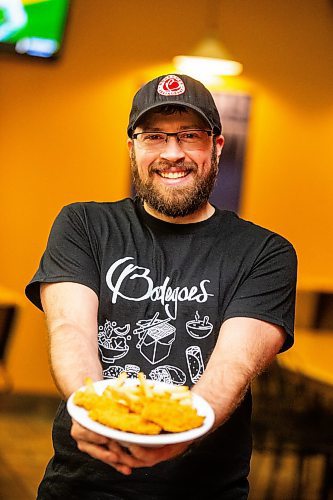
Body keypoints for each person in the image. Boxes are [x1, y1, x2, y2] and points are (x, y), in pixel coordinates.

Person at [25, 73, 297, 500]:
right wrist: (95, 413)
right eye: (154, 136)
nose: (173, 154)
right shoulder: (83, 225)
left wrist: (177, 431)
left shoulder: (266, 252)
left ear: (217, 146)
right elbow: (70, 330)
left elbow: (234, 365)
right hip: (81, 486)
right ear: (132, 148)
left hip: (206, 489)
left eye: (191, 135)